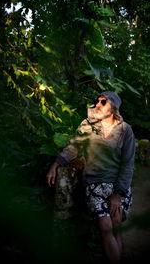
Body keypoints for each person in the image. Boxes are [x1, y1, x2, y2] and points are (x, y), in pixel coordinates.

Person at [46, 91, 135, 264]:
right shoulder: (87, 125)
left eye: (103, 102)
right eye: (97, 101)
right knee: (105, 226)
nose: (98, 104)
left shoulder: (125, 130)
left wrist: (118, 195)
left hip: (118, 186)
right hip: (94, 184)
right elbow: (73, 148)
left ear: (114, 107)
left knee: (115, 224)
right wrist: (54, 166)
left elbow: (128, 164)